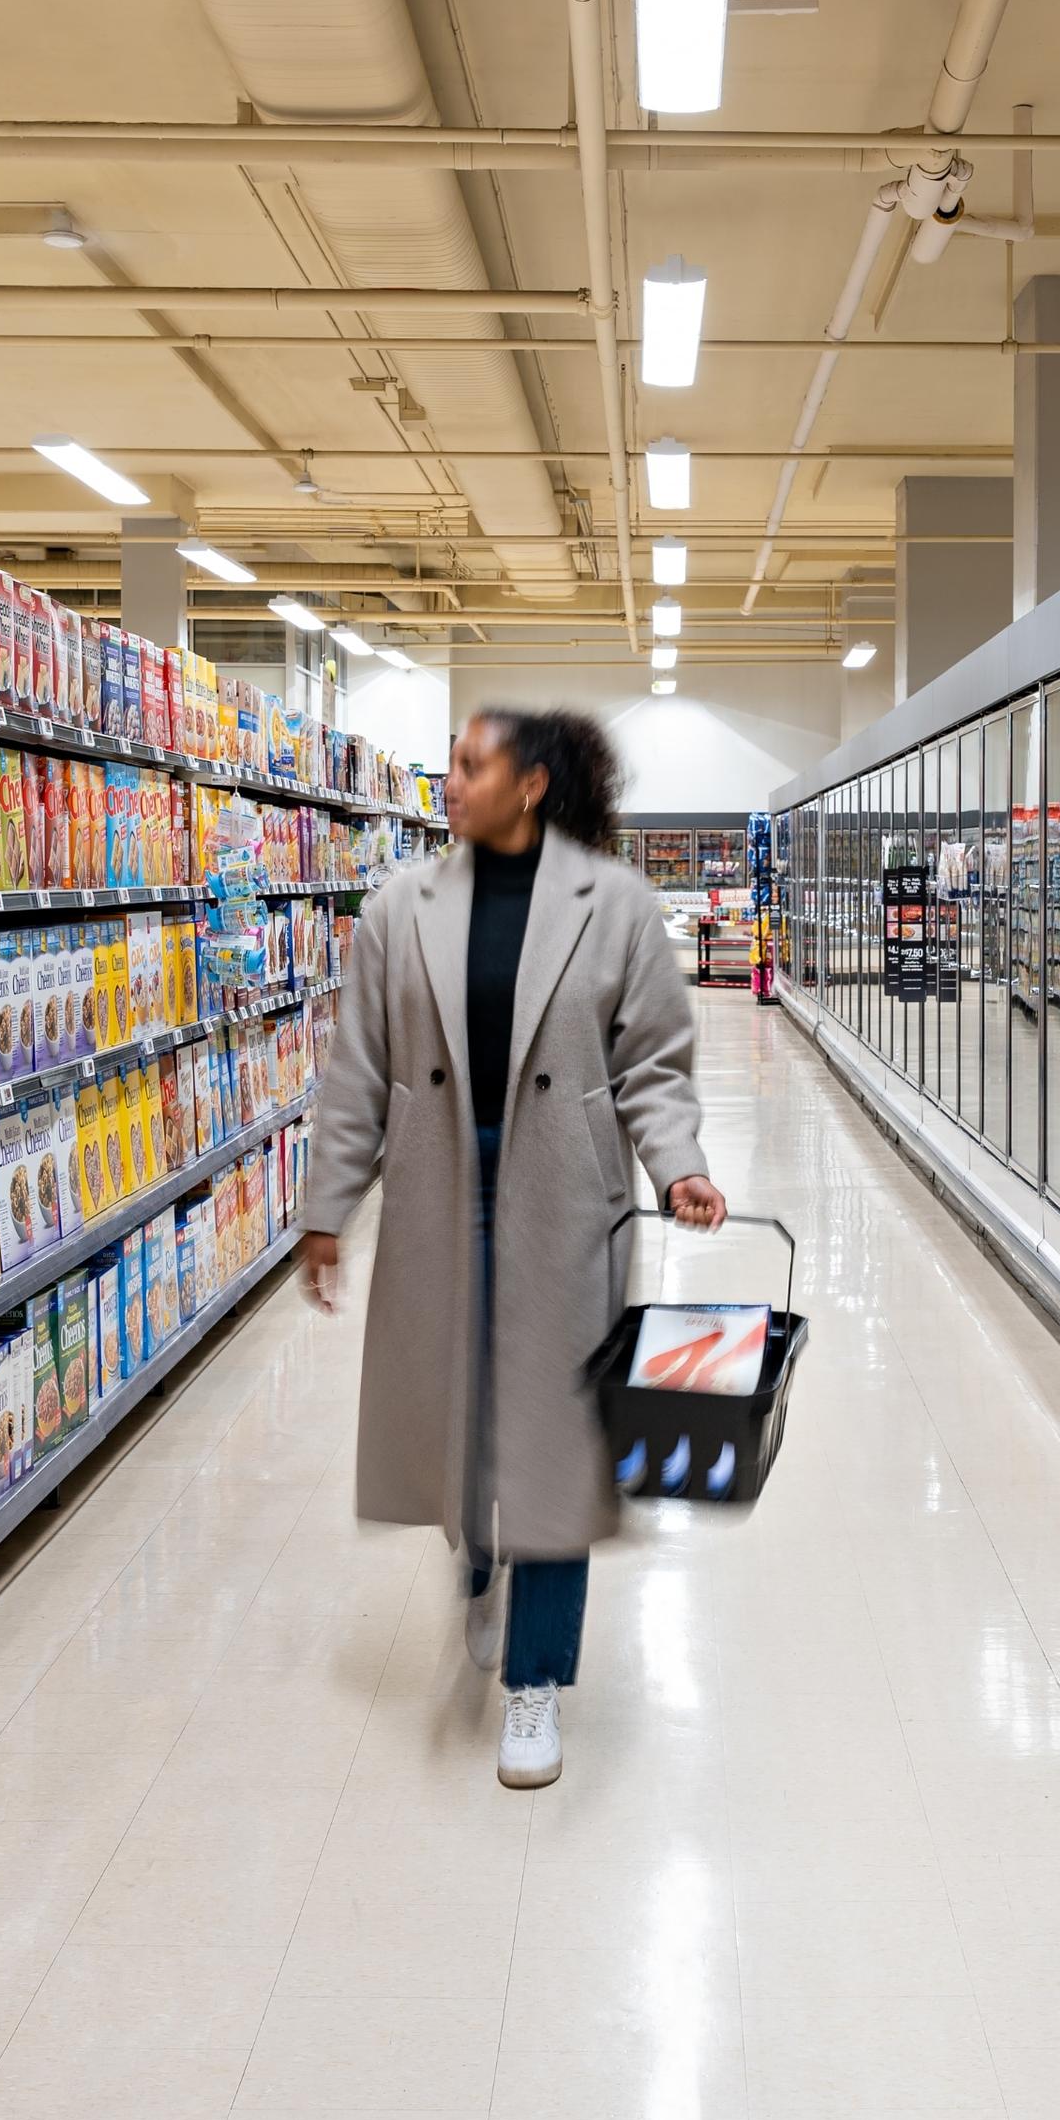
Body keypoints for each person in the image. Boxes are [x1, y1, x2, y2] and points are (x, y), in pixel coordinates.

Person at [297, 707, 724, 1787]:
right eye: (450, 763)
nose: (449, 780)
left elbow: (656, 1062)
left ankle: (535, 1683)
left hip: (564, 1203)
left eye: (470, 764)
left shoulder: (613, 905)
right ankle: (478, 1555)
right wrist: (327, 1206)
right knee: (467, 1406)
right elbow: (358, 1070)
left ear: (531, 784)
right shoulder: (400, 908)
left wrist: (677, 1163)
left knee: (556, 1437)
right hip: (442, 1197)